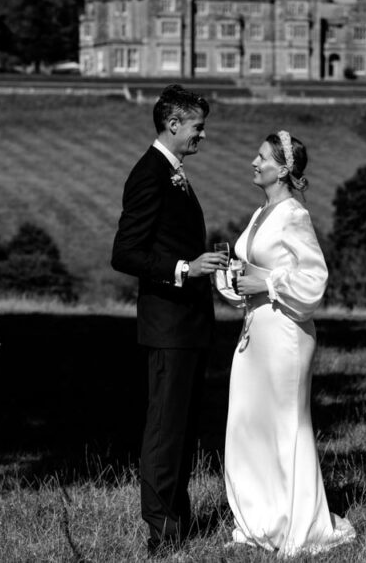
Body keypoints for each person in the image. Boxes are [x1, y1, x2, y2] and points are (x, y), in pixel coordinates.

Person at [214, 130, 356, 557]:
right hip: (255, 331)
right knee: (247, 424)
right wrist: (235, 279)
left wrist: (267, 282)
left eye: (261, 158)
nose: (253, 163)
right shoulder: (261, 213)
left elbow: (314, 280)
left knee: (285, 428)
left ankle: (298, 529)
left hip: (286, 336)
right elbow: (252, 270)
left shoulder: (293, 214)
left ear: (283, 169)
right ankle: (258, 523)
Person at [110, 84, 228, 556]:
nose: (203, 133)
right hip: (167, 326)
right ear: (173, 124)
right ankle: (161, 532)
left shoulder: (173, 172)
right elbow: (125, 254)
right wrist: (185, 269)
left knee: (181, 427)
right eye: (197, 125)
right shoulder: (150, 174)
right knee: (164, 429)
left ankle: (178, 522)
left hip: (189, 325)